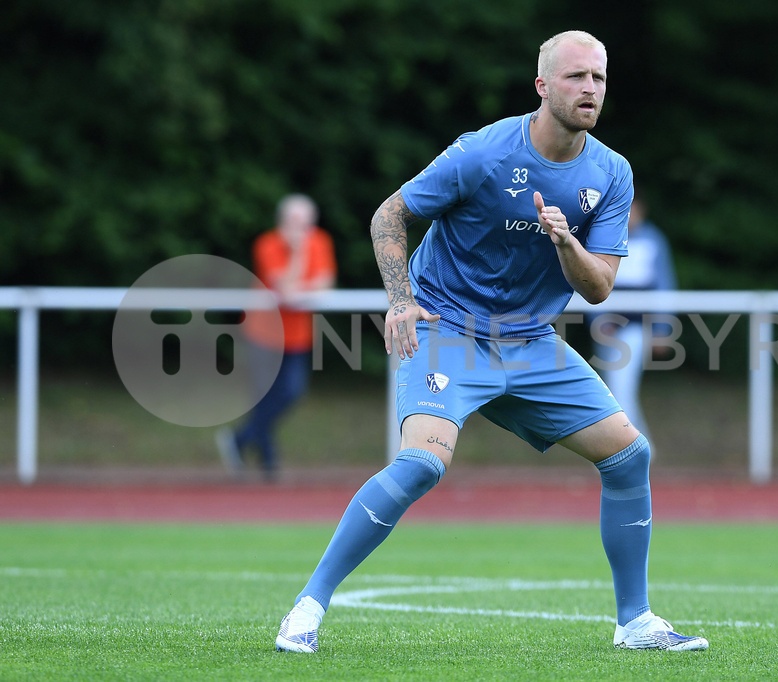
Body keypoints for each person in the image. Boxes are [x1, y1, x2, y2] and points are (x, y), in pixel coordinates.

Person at [274, 30, 709, 654]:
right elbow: (388, 215)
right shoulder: (482, 152)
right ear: (542, 86)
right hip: (448, 329)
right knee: (423, 462)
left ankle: (635, 622)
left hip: (531, 341)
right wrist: (401, 299)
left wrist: (567, 244)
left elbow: (600, 288)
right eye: (575, 77)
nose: (590, 89)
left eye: (600, 79)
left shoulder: (611, 173)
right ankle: (307, 607)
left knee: (629, 456)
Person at [216, 194, 337, 481]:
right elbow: (286, 290)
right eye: (296, 222)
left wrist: (302, 284)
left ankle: (239, 440)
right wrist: (298, 254)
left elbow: (324, 282)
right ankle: (269, 465)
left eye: (307, 223)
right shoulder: (268, 243)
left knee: (291, 392)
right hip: (263, 332)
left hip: (297, 335)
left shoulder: (320, 241)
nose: (303, 230)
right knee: (264, 395)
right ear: (282, 222)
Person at [590, 189, 677, 447]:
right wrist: (598, 323)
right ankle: (635, 445)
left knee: (621, 389)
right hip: (607, 329)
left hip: (637, 327)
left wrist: (662, 328)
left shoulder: (653, 241)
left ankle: (633, 447)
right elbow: (592, 282)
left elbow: (664, 286)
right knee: (611, 390)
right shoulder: (606, 238)